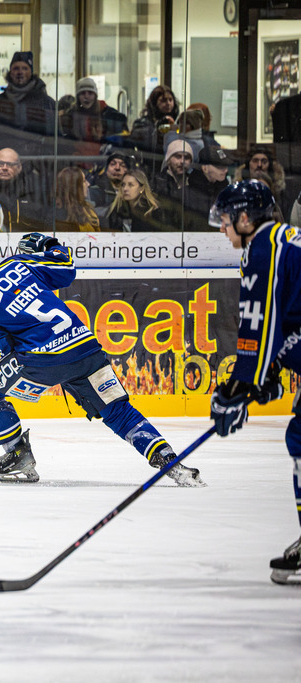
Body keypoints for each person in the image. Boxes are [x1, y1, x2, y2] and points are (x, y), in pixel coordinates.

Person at [0, 237, 203, 487]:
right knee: (117, 410)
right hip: (85, 349)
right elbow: (66, 268)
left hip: (42, 361)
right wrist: (48, 243)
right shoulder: (16, 263)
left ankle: (18, 454)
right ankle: (170, 461)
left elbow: (4, 347)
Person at [210, 180, 301, 584]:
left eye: (226, 220)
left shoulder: (265, 248)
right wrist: (269, 375)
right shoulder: (280, 240)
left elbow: (258, 325)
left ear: (245, 218)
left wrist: (240, 386)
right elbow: (286, 321)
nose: (222, 228)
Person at [0, 52, 56, 161]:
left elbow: (53, 139)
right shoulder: (0, 101)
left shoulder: (46, 102)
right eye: (16, 68)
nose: (20, 72)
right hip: (7, 165)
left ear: (31, 72)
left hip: (36, 166)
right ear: (10, 72)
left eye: (25, 68)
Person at [0, 147, 49, 232]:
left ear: (19, 167)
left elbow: (44, 221)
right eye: (0, 164)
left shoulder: (32, 187)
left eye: (10, 164)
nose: (4, 168)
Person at [128, 85, 179, 178]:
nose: (168, 103)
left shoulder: (177, 122)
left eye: (170, 100)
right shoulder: (142, 123)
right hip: (150, 170)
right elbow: (145, 144)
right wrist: (159, 128)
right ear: (155, 103)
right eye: (163, 101)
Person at [53, 166, 99, 232]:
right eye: (84, 181)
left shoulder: (89, 210)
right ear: (74, 188)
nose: (88, 184)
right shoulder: (58, 216)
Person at [87, 151, 131, 217]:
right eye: (113, 164)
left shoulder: (133, 193)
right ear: (106, 168)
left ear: (128, 170)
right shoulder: (94, 192)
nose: (117, 168)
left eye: (123, 165)